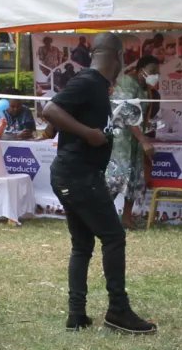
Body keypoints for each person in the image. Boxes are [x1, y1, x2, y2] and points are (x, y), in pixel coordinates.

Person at [42, 32, 156, 334]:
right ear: (116, 56)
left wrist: (61, 129)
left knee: (82, 244)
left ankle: (76, 314)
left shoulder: (96, 86)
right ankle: (118, 310)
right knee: (114, 236)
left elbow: (55, 118)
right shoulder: (88, 82)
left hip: (73, 173)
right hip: (79, 175)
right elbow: (50, 109)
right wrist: (87, 133)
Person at [106, 56, 159, 227]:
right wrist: (144, 140)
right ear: (139, 69)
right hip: (121, 141)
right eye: (152, 72)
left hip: (135, 141)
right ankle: (101, 216)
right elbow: (126, 113)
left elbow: (142, 116)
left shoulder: (145, 89)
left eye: (157, 72)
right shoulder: (126, 83)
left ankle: (127, 218)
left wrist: (147, 131)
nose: (155, 75)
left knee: (135, 179)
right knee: (116, 179)